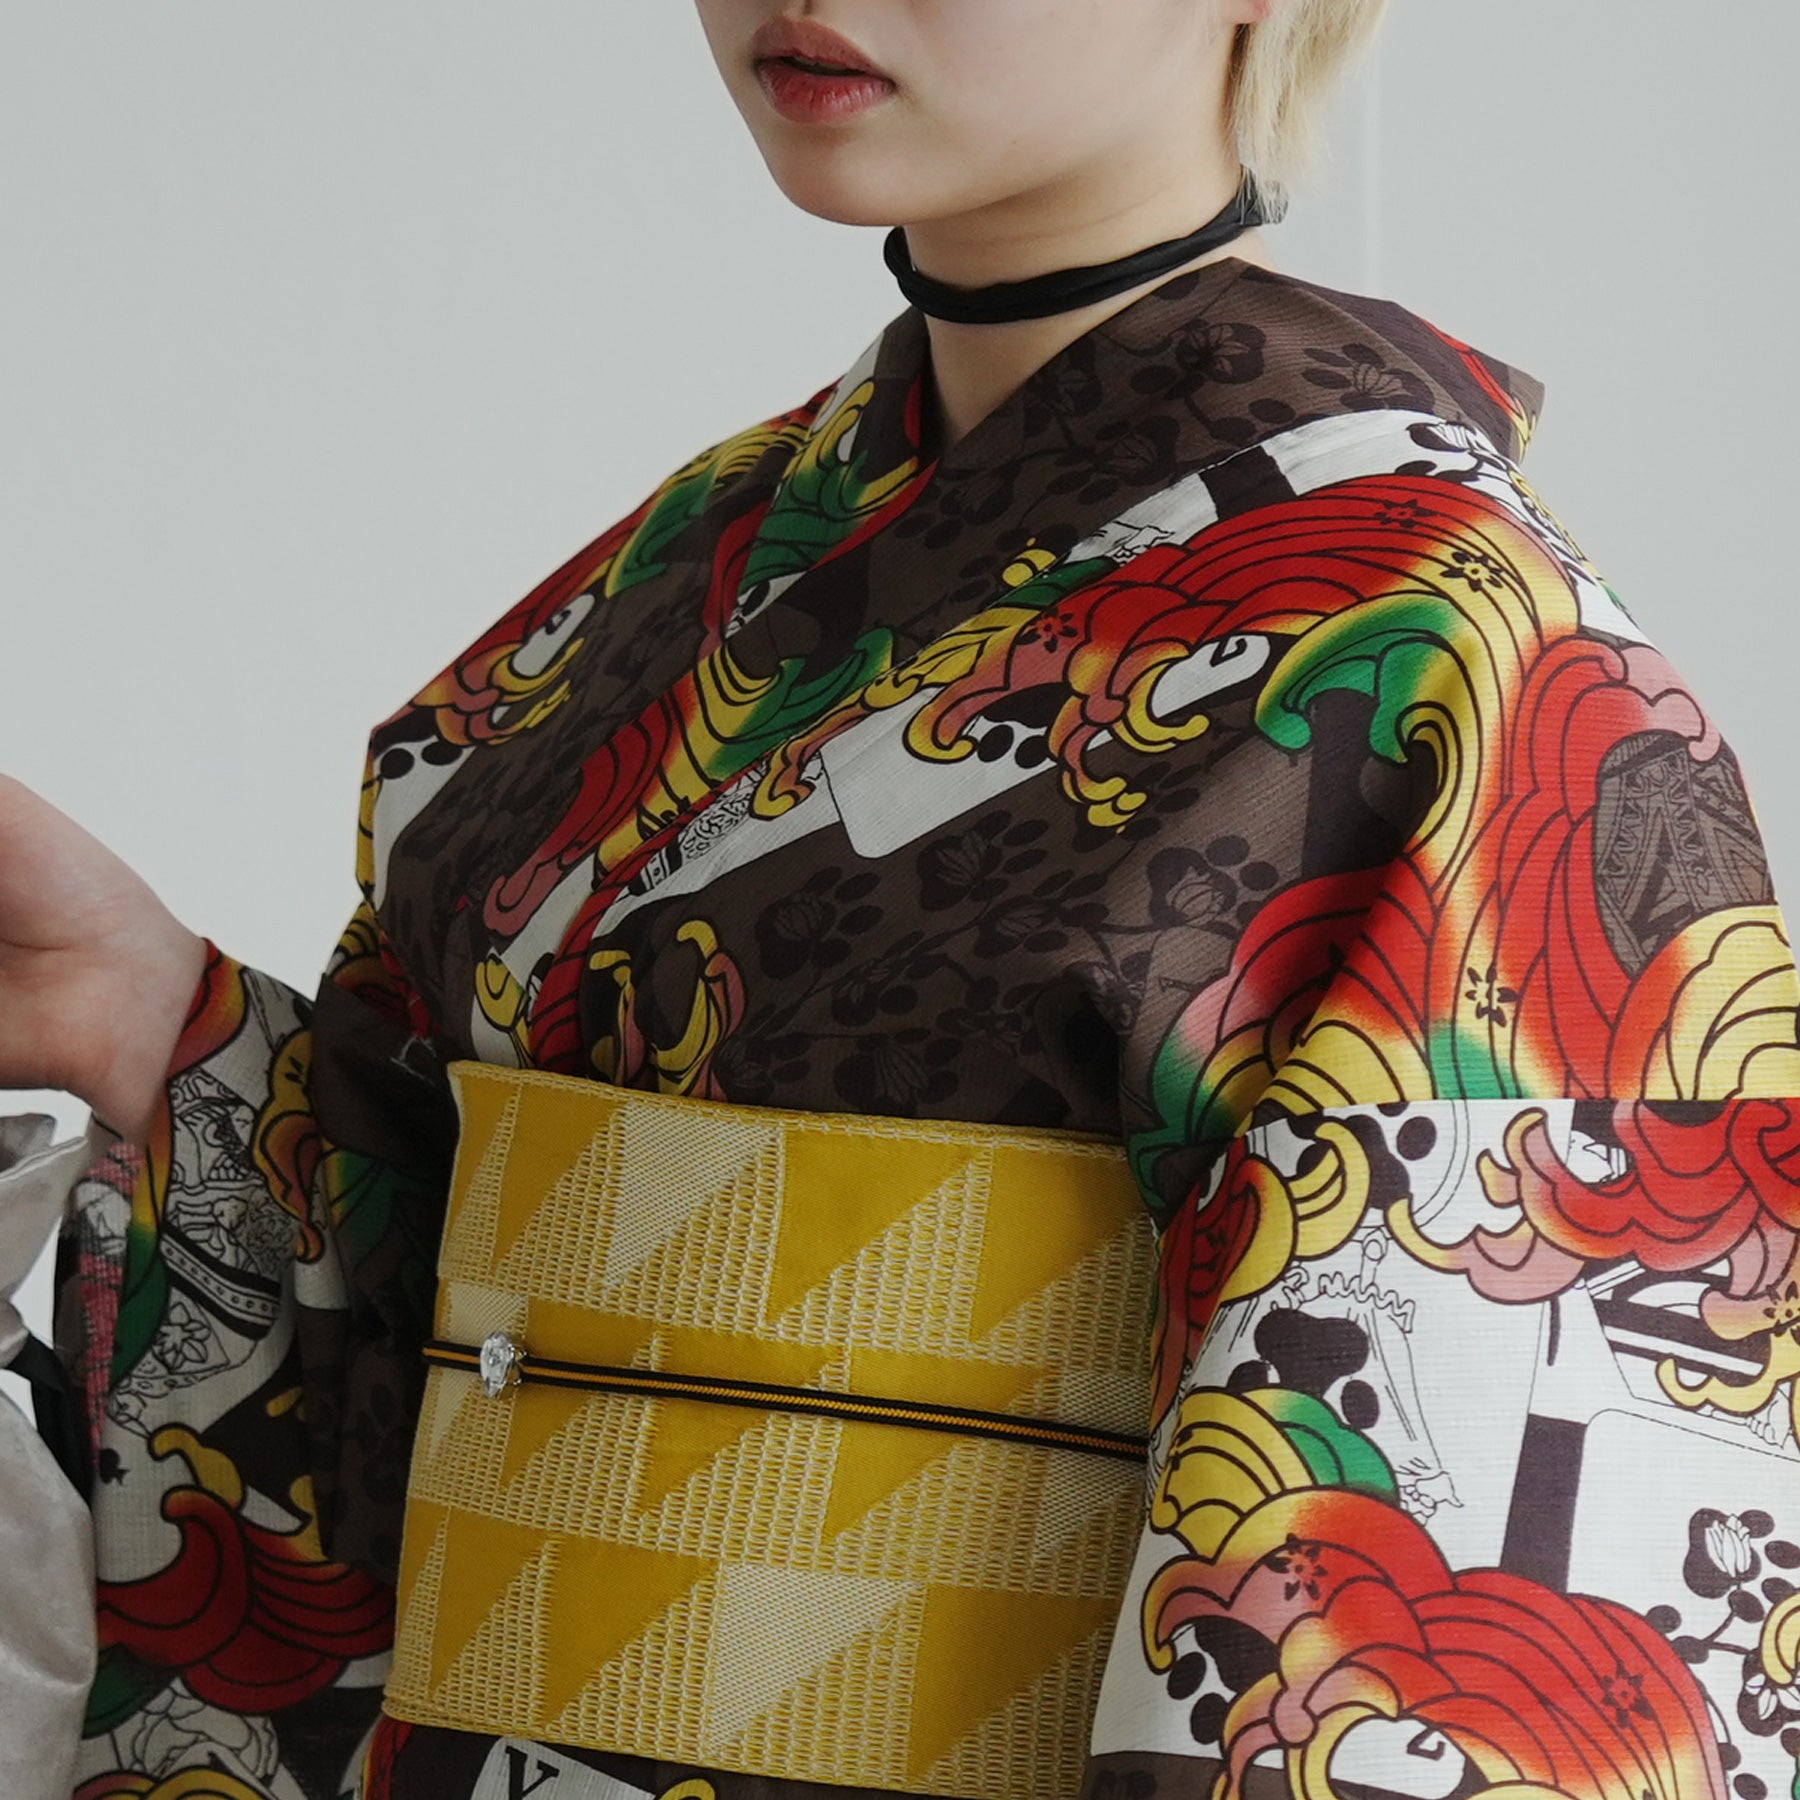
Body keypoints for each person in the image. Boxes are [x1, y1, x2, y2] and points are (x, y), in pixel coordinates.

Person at [4, 3, 1795, 1798]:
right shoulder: (697, 557)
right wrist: (155, 1023)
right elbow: (434, 1277)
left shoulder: (1466, 662)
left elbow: (1465, 1577)